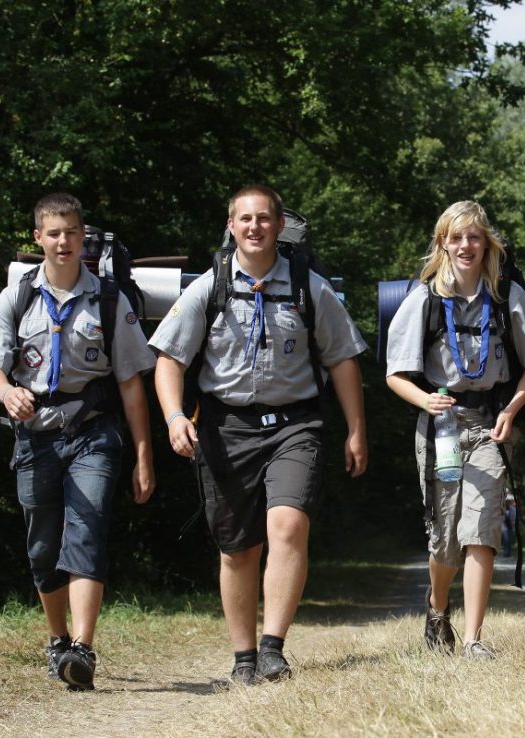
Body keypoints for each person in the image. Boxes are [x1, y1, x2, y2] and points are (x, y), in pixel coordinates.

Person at [150, 184, 367, 685]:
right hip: (226, 429)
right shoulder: (210, 287)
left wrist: (356, 430)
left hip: (296, 424)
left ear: (278, 226)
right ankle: (243, 657)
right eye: (245, 219)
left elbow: (342, 360)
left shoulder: (310, 288)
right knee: (237, 549)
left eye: (264, 219)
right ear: (232, 226)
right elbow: (168, 361)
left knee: (288, 527)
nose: (254, 227)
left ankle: (273, 649)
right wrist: (174, 417)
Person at [0, 193, 156, 691]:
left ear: (83, 236)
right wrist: (7, 392)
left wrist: (143, 455)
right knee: (42, 546)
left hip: (93, 431)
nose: (63, 241)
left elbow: (132, 384)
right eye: (53, 233)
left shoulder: (110, 299)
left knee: (87, 528)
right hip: (34, 437)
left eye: (71, 232)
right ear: (38, 238)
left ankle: (83, 649)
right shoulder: (19, 296)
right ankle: (57, 642)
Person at [385, 201, 525, 660]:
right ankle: (437, 609)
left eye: (474, 237)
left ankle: (473, 638)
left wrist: (511, 412)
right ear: (443, 244)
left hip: (490, 426)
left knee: (482, 530)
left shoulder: (506, 298)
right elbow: (395, 375)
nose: (466, 246)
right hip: (442, 428)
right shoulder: (425, 300)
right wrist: (426, 401)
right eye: (456, 237)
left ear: (486, 244)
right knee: (447, 538)